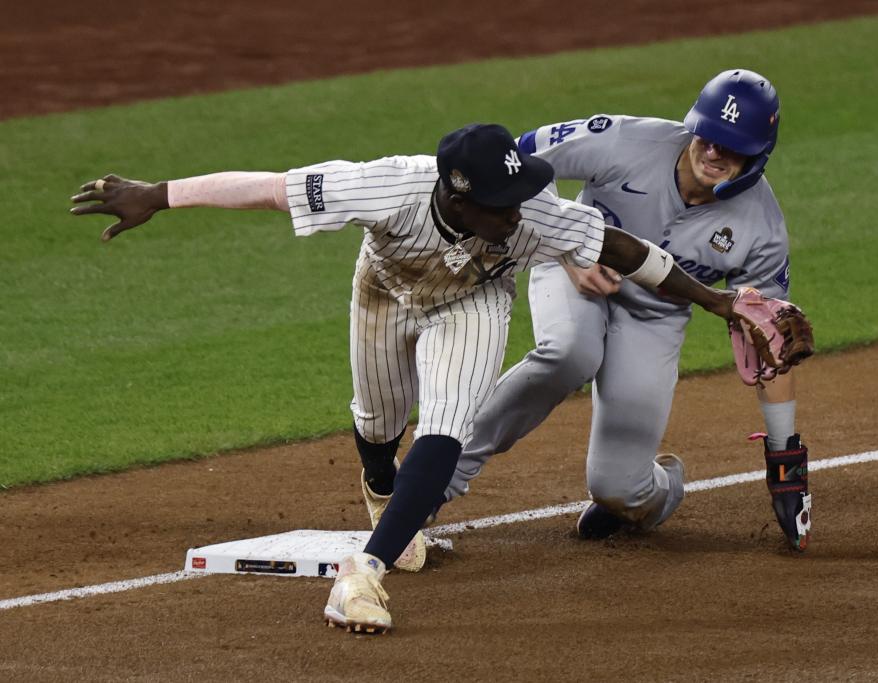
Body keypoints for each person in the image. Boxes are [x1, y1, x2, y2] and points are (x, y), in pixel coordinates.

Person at [70, 123, 759, 635]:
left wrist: (721, 302)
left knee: (448, 425)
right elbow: (270, 190)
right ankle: (380, 488)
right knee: (378, 420)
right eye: (501, 204)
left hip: (473, 304)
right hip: (384, 293)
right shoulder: (387, 184)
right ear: (456, 195)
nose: (517, 214)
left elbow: (625, 248)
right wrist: (156, 195)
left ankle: (361, 573)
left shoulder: (529, 212)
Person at [442, 69, 813, 552]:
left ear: (759, 156)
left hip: (655, 320)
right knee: (569, 352)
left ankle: (660, 492)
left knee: (620, 489)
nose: (715, 152)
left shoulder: (761, 230)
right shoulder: (626, 140)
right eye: (709, 136)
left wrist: (784, 457)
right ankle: (442, 475)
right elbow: (517, 155)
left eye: (733, 146)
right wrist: (568, 250)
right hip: (577, 273)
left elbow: (767, 339)